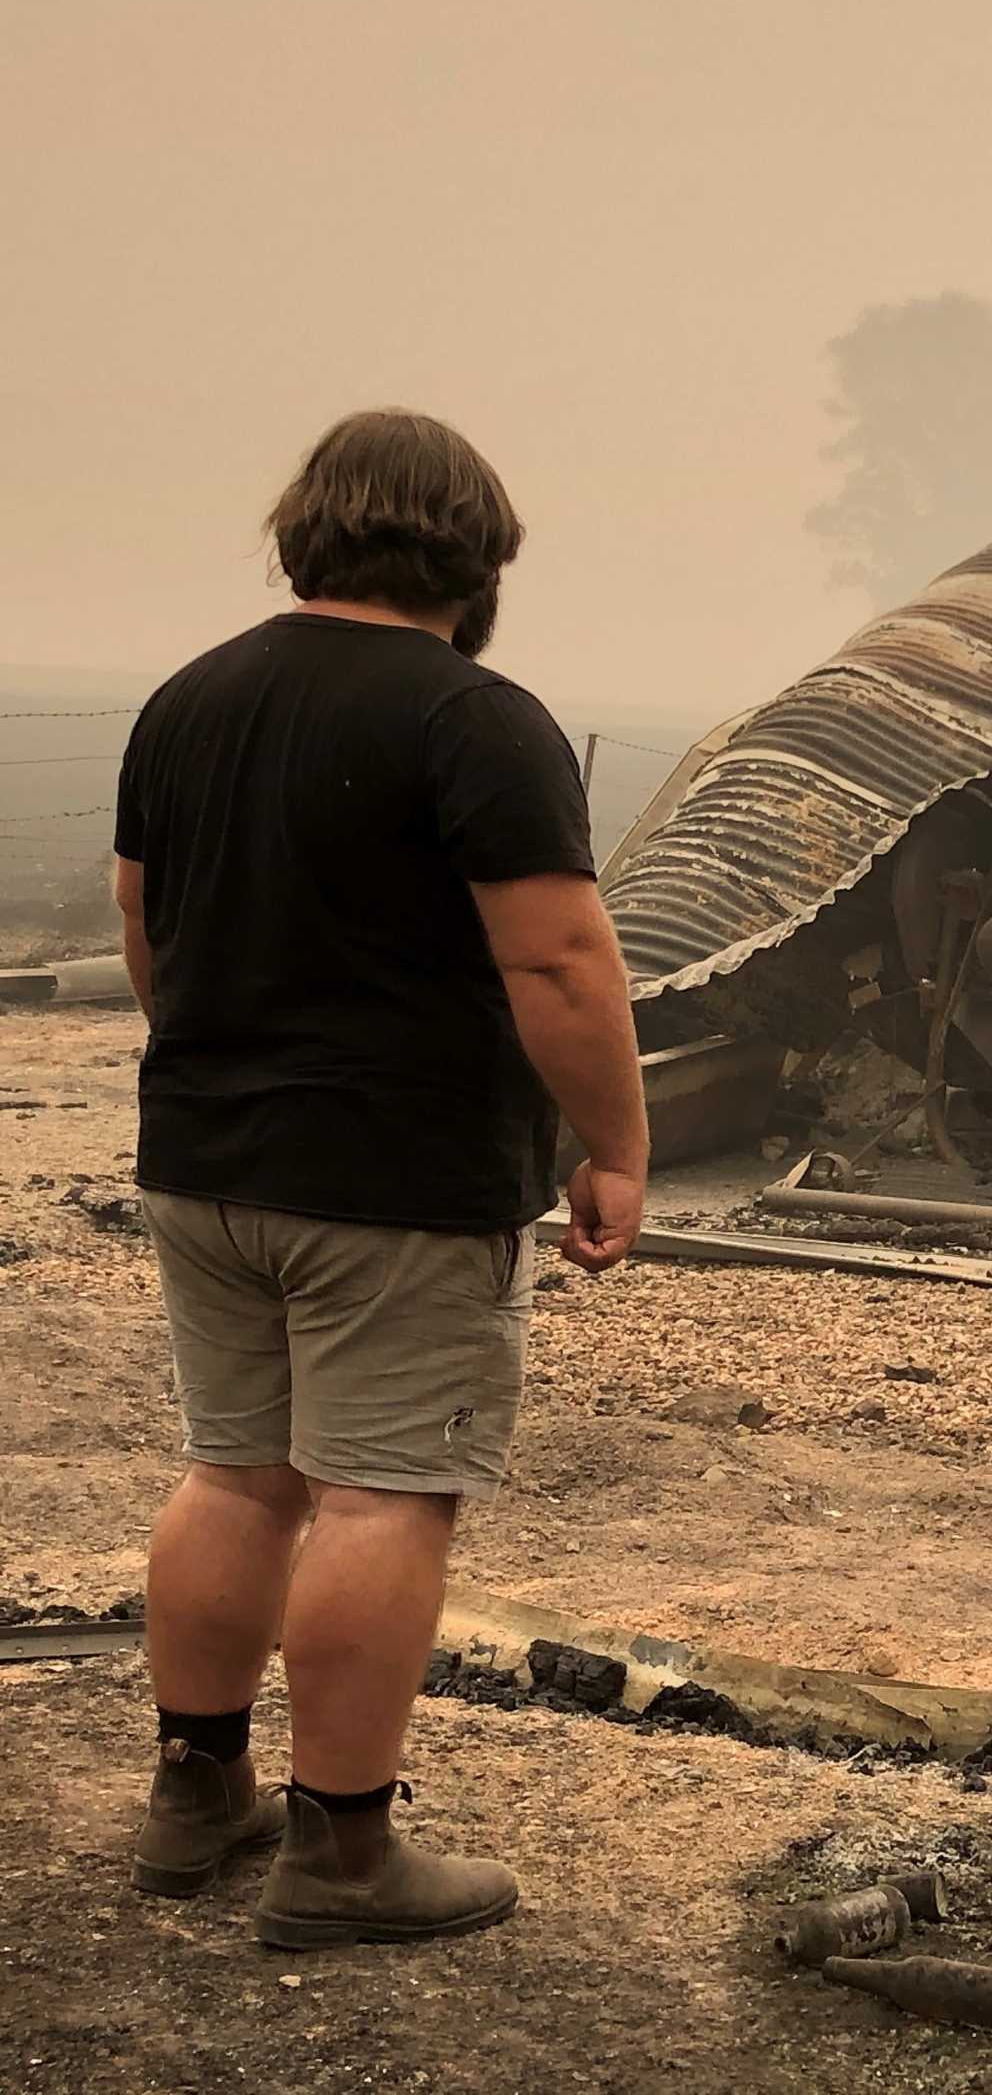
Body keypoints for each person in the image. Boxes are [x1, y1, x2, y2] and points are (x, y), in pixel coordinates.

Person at [111, 408, 647, 1948]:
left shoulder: (185, 702)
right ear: (472, 555)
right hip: (397, 1182)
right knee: (381, 1493)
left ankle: (197, 1792)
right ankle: (344, 1856)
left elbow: (150, 930)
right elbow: (555, 955)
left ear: (309, 530)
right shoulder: (474, 721)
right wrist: (614, 1145)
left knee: (235, 1471)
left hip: (205, 1160)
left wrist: (230, 1067)